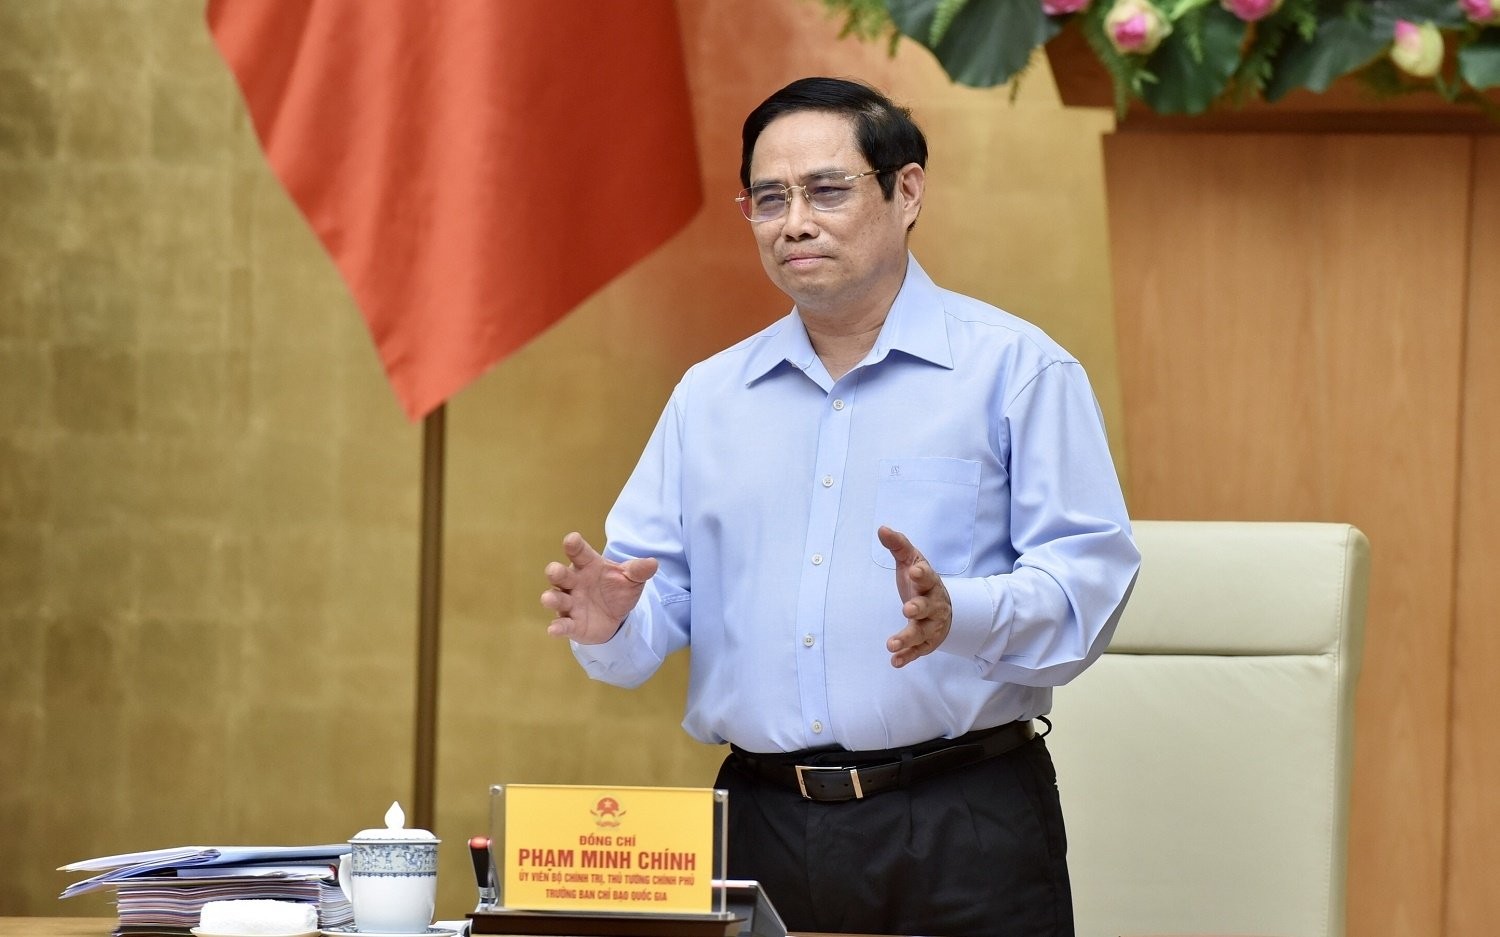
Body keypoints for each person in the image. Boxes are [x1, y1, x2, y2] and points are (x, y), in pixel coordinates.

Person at [540, 76, 1140, 937]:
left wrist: (958, 612)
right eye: (769, 198)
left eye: (826, 190)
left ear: (907, 192)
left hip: (961, 821)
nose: (794, 223)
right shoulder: (710, 397)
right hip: (757, 823)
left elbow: (1087, 590)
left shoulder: (1017, 371)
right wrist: (611, 627)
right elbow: (651, 611)